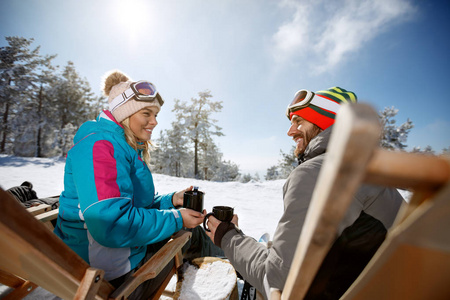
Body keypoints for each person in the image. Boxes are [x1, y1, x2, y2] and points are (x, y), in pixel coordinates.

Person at [205, 87, 404, 299]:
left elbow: (276, 282)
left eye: (298, 121)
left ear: (327, 121)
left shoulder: (315, 173)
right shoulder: (367, 171)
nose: (290, 132)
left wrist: (227, 236)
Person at [54, 70, 216, 299]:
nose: (155, 121)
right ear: (124, 114)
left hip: (124, 251)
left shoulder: (122, 146)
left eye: (156, 114)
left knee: (191, 230)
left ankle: (232, 258)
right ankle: (234, 261)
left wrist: (172, 200)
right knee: (189, 232)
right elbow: (112, 223)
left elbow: (134, 205)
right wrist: (177, 217)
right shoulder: (101, 148)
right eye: (147, 113)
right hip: (110, 271)